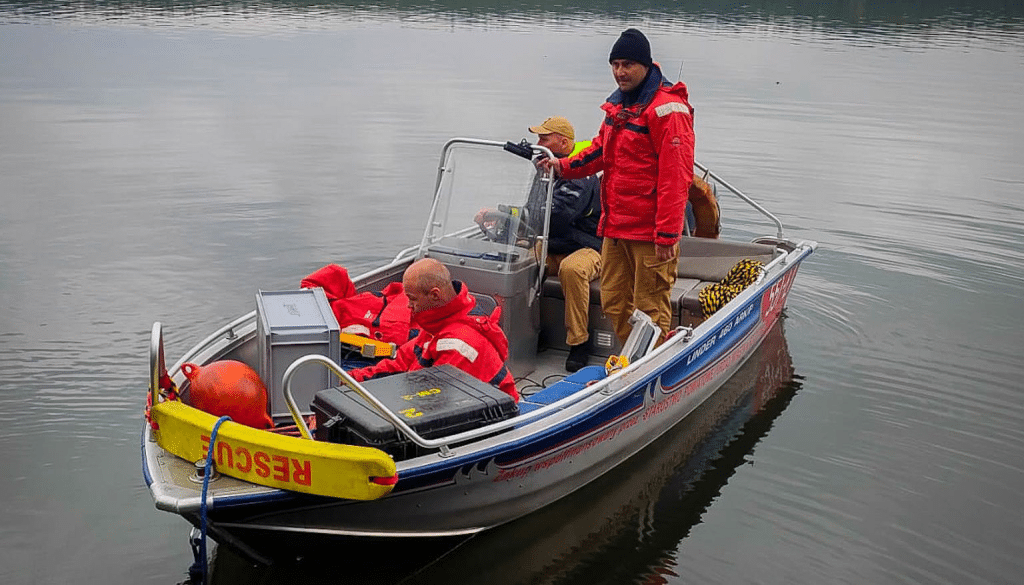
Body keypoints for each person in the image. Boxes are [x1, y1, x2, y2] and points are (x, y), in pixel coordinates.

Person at [539, 28, 695, 344]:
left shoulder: (667, 110)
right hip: (615, 227)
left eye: (627, 64)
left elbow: (676, 177)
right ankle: (629, 358)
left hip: (649, 232)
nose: (620, 72)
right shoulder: (618, 105)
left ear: (645, 65)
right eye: (615, 64)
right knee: (612, 299)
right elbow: (600, 150)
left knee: (650, 308)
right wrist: (563, 167)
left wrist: (667, 233)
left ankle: (651, 363)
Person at [476, 116, 602, 372]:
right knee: (519, 262)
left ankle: (579, 342)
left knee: (572, 270)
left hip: (588, 246)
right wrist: (502, 222)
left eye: (544, 139)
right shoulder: (544, 170)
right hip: (551, 243)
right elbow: (532, 211)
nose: (538, 144)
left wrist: (505, 213)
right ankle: (527, 329)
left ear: (563, 143)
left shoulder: (581, 175)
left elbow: (557, 214)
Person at [348, 258, 519, 402]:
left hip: (482, 416)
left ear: (435, 295)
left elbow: (431, 401)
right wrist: (349, 380)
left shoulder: (460, 345)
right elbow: (399, 363)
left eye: (413, 299)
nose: (409, 305)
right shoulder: (437, 324)